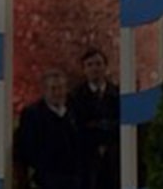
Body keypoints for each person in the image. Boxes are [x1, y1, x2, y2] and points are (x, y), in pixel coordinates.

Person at [14, 70, 85, 189]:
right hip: (46, 179)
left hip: (75, 178)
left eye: (61, 88)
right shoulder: (32, 114)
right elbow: (27, 149)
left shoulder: (75, 110)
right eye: (53, 88)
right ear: (44, 91)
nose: (58, 92)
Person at [69, 49, 120, 189]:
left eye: (98, 64)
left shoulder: (119, 94)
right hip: (86, 159)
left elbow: (120, 124)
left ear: (105, 67)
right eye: (90, 64)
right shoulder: (74, 97)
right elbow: (77, 127)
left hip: (115, 158)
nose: (95, 68)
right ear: (84, 69)